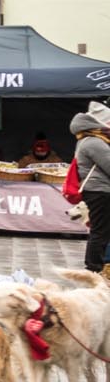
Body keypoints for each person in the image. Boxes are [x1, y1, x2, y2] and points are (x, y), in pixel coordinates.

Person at [71, 107, 110, 272]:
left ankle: (97, 267)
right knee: (100, 232)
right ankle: (94, 268)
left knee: (100, 230)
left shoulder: (86, 140)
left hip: (96, 190)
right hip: (100, 191)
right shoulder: (94, 142)